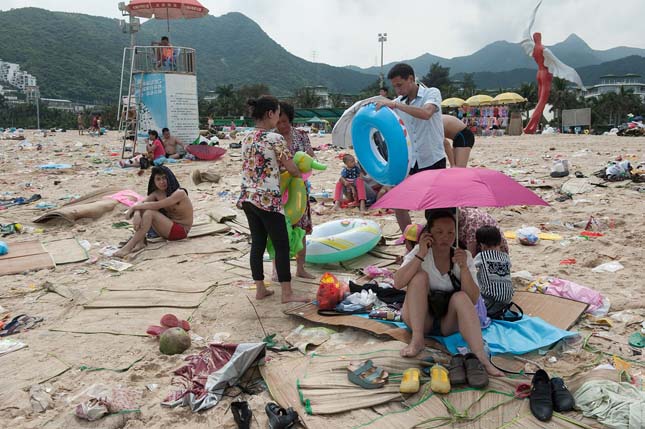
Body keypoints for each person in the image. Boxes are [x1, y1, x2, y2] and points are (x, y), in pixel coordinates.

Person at [393, 210, 503, 377]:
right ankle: (417, 339)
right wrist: (420, 254)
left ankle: (481, 357)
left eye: (450, 232)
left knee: (460, 296)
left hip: (448, 322)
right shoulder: (420, 251)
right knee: (419, 278)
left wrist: (464, 268)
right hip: (421, 319)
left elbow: (473, 299)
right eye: (439, 232)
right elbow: (398, 283)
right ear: (429, 233)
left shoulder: (462, 255)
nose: (445, 237)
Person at [236, 95, 308, 303]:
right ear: (270, 113)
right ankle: (287, 293)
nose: (278, 117)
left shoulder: (246, 138)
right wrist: (298, 172)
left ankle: (260, 289)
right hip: (268, 199)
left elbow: (258, 163)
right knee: (281, 244)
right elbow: (292, 167)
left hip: (248, 197)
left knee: (257, 243)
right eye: (277, 113)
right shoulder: (274, 138)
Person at [376, 63, 446, 233]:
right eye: (394, 86)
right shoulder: (398, 102)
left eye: (400, 85)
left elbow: (426, 113)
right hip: (411, 162)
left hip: (432, 160)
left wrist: (396, 105)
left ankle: (434, 244)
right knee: (398, 202)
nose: (397, 90)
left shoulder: (431, 93)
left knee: (435, 211)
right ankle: (410, 241)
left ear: (411, 79)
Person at [114, 166, 193, 258]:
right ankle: (140, 242)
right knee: (145, 209)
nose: (162, 182)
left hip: (180, 231)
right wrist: (137, 213)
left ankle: (128, 247)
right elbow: (142, 203)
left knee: (149, 212)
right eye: (158, 179)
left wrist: (133, 208)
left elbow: (157, 205)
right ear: (154, 182)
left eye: (164, 178)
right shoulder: (156, 193)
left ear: (170, 178)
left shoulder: (179, 193)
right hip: (166, 230)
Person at [276, 101, 316, 279]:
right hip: (279, 191)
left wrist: (300, 168)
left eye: (285, 121)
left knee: (301, 229)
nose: (282, 126)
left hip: (300, 190)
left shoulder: (301, 136)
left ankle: (300, 268)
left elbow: (310, 158)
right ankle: (277, 270)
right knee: (279, 231)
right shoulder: (272, 138)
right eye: (278, 122)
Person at [473, 226, 513, 316]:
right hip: (507, 301)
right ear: (500, 242)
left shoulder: (481, 256)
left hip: (489, 302)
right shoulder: (506, 257)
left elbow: (470, 267)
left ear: (481, 245)